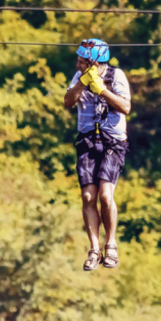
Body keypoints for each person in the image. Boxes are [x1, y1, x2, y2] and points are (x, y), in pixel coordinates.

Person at [63, 38, 132, 271]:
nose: (77, 64)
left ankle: (110, 243)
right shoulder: (78, 77)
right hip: (87, 140)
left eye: (82, 62)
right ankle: (94, 248)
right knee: (88, 197)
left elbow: (125, 107)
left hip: (112, 141)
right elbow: (67, 102)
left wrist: (102, 90)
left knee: (105, 194)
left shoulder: (116, 76)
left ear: (93, 63)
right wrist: (82, 84)